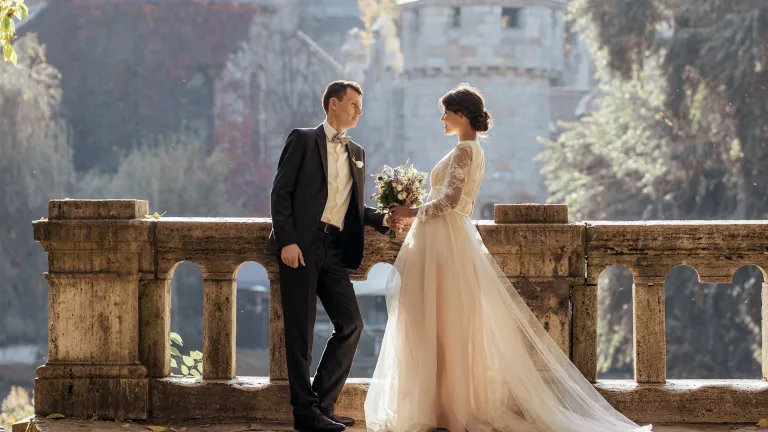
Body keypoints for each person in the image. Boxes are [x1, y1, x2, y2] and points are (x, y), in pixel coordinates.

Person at [364, 84, 653, 432]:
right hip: (446, 239)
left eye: (445, 112)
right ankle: (442, 407)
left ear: (461, 115)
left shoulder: (464, 152)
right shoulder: (469, 150)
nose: (441, 118)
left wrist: (411, 211)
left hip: (445, 241)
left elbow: (450, 201)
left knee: (442, 324)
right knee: (443, 325)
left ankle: (445, 409)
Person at [267, 80, 401, 432]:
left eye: (360, 105)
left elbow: (353, 206)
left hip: (335, 250)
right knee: (301, 333)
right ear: (332, 105)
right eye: (354, 104)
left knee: (351, 324)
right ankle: (304, 415)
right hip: (301, 247)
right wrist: (287, 241)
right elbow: (281, 193)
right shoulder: (302, 139)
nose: (360, 111)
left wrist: (384, 219)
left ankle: (321, 406)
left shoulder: (356, 151)